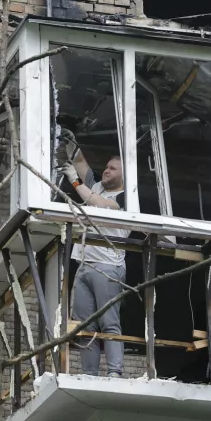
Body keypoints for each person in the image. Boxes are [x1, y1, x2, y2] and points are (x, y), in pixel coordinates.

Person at [59, 131, 129, 378]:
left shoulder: (124, 197)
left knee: (109, 321)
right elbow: (80, 161)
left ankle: (114, 372)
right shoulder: (98, 185)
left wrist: (75, 183)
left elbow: (96, 203)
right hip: (86, 263)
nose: (107, 171)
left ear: (124, 175)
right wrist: (69, 140)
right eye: (107, 167)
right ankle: (89, 373)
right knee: (84, 324)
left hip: (108, 266)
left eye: (113, 168)